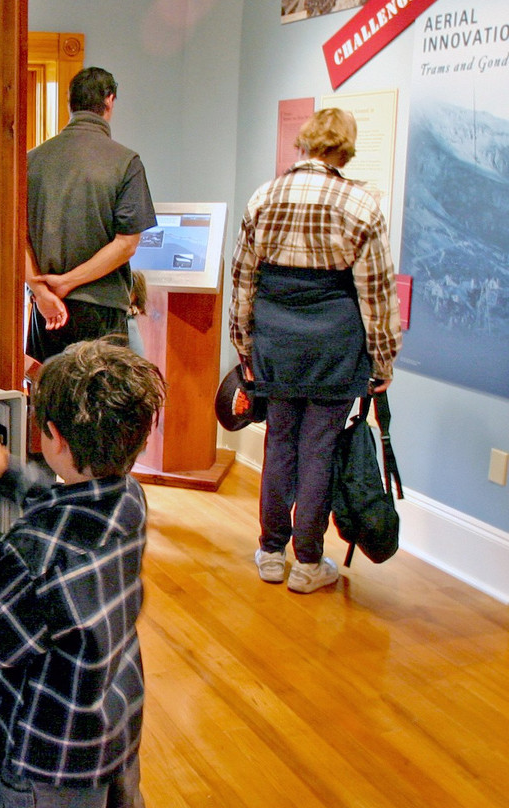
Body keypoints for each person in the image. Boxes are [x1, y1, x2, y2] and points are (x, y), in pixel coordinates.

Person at [0, 339, 167, 808]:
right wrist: (10, 473)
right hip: (117, 727)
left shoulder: (34, 555)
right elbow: (66, 508)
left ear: (53, 436)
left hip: (52, 765)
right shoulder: (129, 500)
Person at [229, 107, 402, 594]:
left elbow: (244, 279)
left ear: (305, 143)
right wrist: (383, 360)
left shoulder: (265, 196)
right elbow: (377, 293)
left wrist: (244, 346)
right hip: (334, 341)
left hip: (276, 339)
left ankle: (269, 552)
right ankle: (307, 563)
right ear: (344, 150)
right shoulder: (360, 205)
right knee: (319, 449)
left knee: (279, 442)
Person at [25, 67, 157, 363]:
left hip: (45, 311)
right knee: (101, 402)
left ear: (70, 103)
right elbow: (126, 244)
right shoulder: (126, 162)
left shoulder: (31, 161)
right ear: (110, 101)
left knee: (49, 400)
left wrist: (42, 290)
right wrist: (68, 282)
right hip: (102, 310)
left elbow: (15, 238)